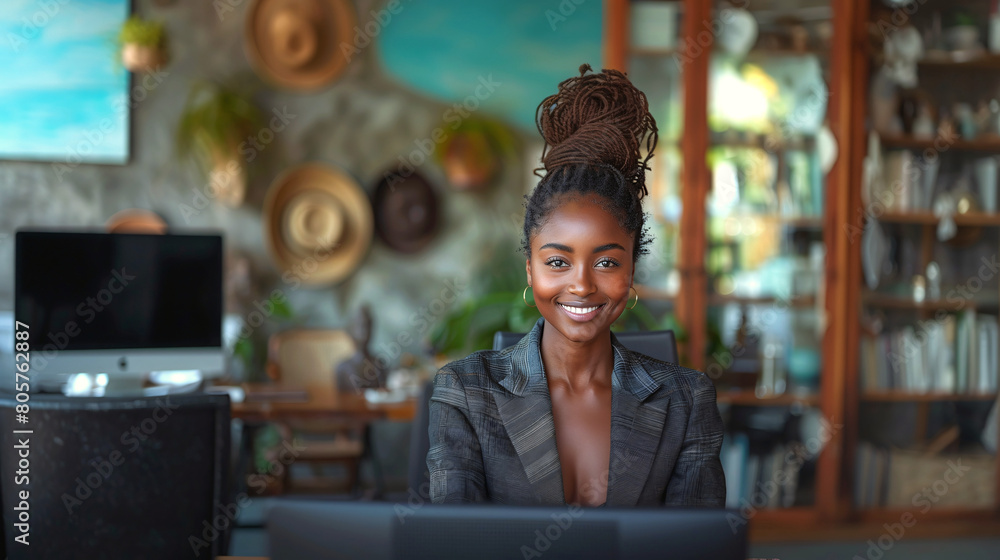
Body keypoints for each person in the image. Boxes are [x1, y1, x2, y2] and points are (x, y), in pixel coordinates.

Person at [427, 64, 726, 507]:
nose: (582, 285)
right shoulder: (467, 392)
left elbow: (697, 545)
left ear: (632, 271)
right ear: (530, 270)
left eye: (606, 261)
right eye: (557, 261)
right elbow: (453, 544)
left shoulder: (686, 400)